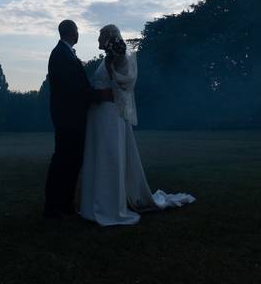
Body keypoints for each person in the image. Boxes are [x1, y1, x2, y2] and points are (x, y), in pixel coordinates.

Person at [79, 24, 195, 226]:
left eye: (100, 36)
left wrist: (114, 64)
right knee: (98, 155)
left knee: (110, 156)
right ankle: (94, 205)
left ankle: (109, 207)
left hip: (110, 114)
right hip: (98, 115)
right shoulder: (105, 60)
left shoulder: (118, 58)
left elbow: (126, 81)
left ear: (108, 38)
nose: (97, 40)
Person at [43, 19, 112, 218]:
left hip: (71, 117)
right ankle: (55, 207)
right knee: (64, 161)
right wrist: (99, 96)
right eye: (78, 30)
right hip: (68, 118)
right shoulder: (61, 55)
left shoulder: (64, 53)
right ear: (73, 32)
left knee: (71, 161)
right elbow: (73, 89)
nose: (79, 33)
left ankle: (64, 204)